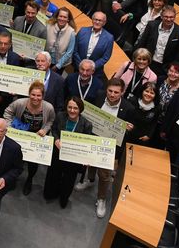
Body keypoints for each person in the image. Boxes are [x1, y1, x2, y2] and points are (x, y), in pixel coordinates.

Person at [88, 78, 136, 217]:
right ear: (106, 89)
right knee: (90, 164)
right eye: (110, 91)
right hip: (94, 139)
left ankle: (101, 199)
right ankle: (89, 180)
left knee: (104, 175)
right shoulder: (98, 96)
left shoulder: (128, 108)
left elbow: (131, 131)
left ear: (122, 92)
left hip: (110, 146)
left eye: (116, 92)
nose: (112, 94)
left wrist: (129, 128)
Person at [2, 81, 55, 195]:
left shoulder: (49, 107)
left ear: (43, 96)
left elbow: (51, 120)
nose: (35, 98)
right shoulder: (20, 103)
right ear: (29, 94)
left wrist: (45, 130)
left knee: (33, 163)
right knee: (15, 159)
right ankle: (12, 179)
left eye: (38, 95)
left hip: (36, 137)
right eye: (33, 95)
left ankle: (29, 179)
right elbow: (7, 112)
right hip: (20, 134)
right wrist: (10, 126)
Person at [43, 96, 94, 208]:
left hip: (73, 156)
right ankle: (50, 194)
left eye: (75, 108)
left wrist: (86, 158)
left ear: (80, 109)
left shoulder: (87, 124)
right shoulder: (60, 116)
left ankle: (64, 197)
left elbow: (86, 144)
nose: (72, 110)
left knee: (69, 178)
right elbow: (54, 129)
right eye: (69, 107)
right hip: (58, 151)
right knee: (53, 174)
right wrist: (56, 139)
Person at [134, 6, 179, 74]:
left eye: (171, 17)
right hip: (147, 62)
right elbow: (142, 42)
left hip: (165, 67)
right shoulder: (151, 25)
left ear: (175, 17)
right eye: (166, 17)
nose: (168, 19)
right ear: (161, 16)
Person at [72, 11, 113, 77]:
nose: (97, 22)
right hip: (78, 67)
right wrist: (81, 65)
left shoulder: (109, 38)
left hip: (95, 72)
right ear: (92, 20)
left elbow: (106, 57)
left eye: (100, 20)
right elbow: (75, 49)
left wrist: (91, 67)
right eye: (95, 19)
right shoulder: (82, 30)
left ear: (104, 23)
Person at [46, 7, 76, 72]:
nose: (62, 19)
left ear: (68, 19)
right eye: (60, 16)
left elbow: (69, 52)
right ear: (57, 17)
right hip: (45, 60)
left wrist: (58, 66)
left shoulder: (71, 32)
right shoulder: (49, 26)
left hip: (60, 64)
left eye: (65, 17)